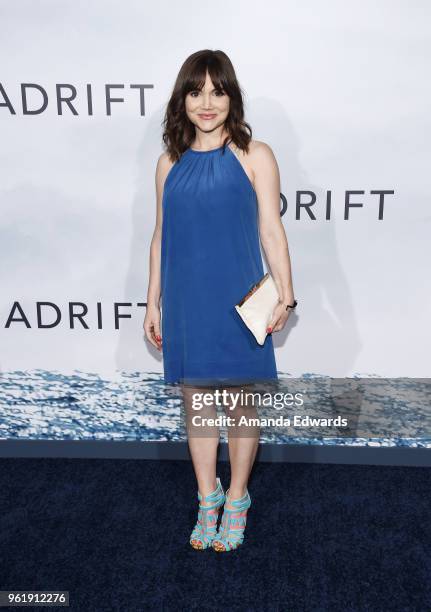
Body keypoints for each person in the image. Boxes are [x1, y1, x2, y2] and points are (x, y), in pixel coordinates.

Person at [144, 49, 296, 552]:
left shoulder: (256, 154)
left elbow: (272, 231)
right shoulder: (170, 162)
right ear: (182, 100)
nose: (206, 102)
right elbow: (160, 235)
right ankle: (206, 497)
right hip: (188, 301)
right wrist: (152, 303)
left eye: (217, 90)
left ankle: (237, 498)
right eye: (196, 91)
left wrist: (287, 294)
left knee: (239, 405)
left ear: (231, 97)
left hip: (238, 300)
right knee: (199, 408)